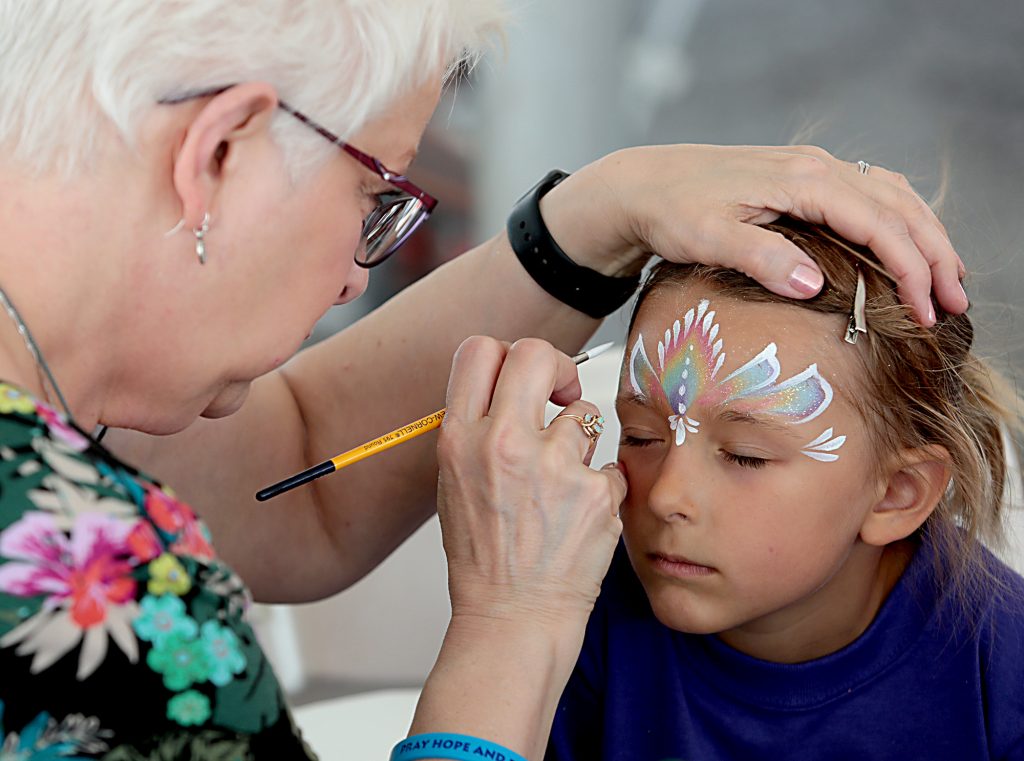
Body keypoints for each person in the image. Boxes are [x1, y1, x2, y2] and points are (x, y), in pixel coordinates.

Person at [0, 1, 968, 759]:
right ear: (218, 150)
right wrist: (513, 619)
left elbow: (287, 480)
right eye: (376, 192)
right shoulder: (98, 581)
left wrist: (590, 217)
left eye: (748, 449)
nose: (355, 272)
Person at [546, 218, 1024, 760]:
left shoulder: (1003, 669)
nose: (665, 497)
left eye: (746, 456)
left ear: (896, 493)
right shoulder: (572, 618)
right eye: (642, 437)